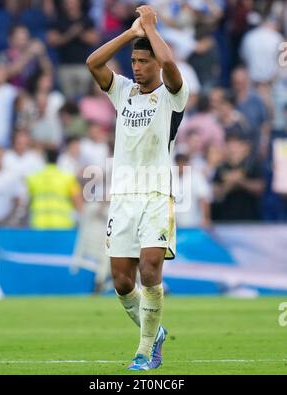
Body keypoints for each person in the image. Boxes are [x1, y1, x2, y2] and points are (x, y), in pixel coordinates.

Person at [86, 5, 189, 371]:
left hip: (157, 194)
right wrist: (132, 33)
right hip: (124, 197)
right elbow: (93, 63)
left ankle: (144, 353)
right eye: (134, 60)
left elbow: (172, 67)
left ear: (156, 64)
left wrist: (150, 27)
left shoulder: (172, 96)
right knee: (121, 281)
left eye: (144, 61)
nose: (137, 66)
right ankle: (155, 331)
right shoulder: (123, 91)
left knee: (149, 270)